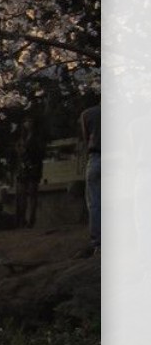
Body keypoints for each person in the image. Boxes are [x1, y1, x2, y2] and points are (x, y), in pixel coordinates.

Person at [80, 103, 100, 252]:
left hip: (95, 156)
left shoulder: (87, 114)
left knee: (94, 201)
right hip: (117, 156)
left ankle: (97, 241)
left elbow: (85, 138)